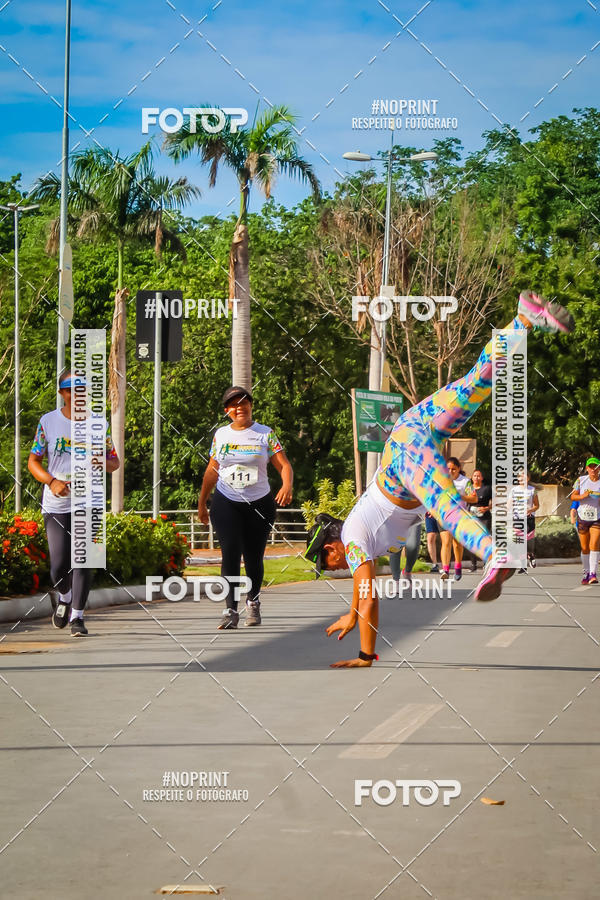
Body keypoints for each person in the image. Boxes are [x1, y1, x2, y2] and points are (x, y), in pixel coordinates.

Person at [320, 292, 574, 667]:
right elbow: (364, 595)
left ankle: (495, 555)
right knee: (476, 384)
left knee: (446, 507)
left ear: (331, 548)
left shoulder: (352, 539)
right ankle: (521, 320)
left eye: (333, 565)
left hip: (404, 458)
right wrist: (354, 623)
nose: (340, 569)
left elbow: (368, 597)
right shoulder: (360, 541)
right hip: (411, 425)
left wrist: (363, 649)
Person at [27, 370, 120, 636]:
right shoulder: (48, 422)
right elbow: (33, 461)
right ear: (62, 393)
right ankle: (65, 597)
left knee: (83, 560)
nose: (77, 394)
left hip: (89, 500)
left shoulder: (98, 424)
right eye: (71, 389)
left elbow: (114, 462)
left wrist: (103, 461)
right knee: (58, 565)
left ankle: (77, 617)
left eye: (81, 389)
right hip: (57, 502)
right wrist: (51, 481)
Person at [197, 386, 294, 628]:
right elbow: (212, 470)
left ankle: (253, 602)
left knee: (253, 556)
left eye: (244, 402)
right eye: (234, 404)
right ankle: (230, 610)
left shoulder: (265, 434)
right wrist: (202, 503)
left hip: (259, 502)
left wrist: (287, 485)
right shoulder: (221, 435)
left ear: (251, 406)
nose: (240, 408)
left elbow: (284, 465)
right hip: (226, 501)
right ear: (227, 410)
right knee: (229, 553)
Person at [440, 457, 476, 581]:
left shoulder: (465, 482)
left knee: (457, 544)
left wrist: (461, 497)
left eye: (453, 469)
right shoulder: (442, 480)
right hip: (444, 515)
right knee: (446, 542)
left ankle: (458, 566)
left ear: (459, 469)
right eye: (448, 469)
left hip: (460, 516)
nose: (450, 472)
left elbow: (474, 498)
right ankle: (445, 570)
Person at [571, 456, 600, 585]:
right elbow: (573, 496)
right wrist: (583, 495)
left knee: (594, 544)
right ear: (587, 468)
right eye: (591, 467)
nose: (593, 469)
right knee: (584, 547)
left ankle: (593, 574)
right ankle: (586, 572)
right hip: (583, 517)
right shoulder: (580, 480)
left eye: (596, 466)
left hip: (597, 517)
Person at [467, 469, 492, 572]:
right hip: (471, 517)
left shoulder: (487, 489)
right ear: (472, 478)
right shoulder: (468, 489)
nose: (476, 478)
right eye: (474, 476)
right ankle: (473, 564)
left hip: (484, 518)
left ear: (482, 478)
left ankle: (486, 563)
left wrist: (486, 508)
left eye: (478, 476)